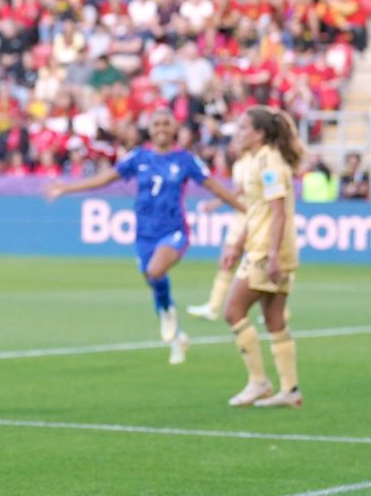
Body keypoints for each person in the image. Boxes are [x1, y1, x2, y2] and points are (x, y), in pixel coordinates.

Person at [46, 110, 242, 364]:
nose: (161, 128)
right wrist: (66, 188)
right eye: (156, 124)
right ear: (149, 130)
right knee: (153, 278)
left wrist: (247, 210)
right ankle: (176, 335)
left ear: (174, 129)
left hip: (174, 231)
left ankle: (168, 317)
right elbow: (104, 179)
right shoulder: (139, 157)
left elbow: (216, 188)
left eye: (166, 124)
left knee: (156, 270)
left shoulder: (186, 161)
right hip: (144, 234)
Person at [223, 106, 305, 408]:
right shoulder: (260, 160)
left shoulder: (269, 163)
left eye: (243, 128)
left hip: (267, 251)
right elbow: (257, 212)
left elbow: (278, 211)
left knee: (233, 311)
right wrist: (238, 243)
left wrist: (272, 255)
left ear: (259, 133)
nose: (238, 133)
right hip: (264, 247)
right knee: (274, 320)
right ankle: (290, 389)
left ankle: (259, 382)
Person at [188, 145, 252, 322]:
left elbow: (241, 189)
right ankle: (213, 307)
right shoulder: (240, 163)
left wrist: (215, 203)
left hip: (252, 217)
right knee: (227, 261)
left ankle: (279, 310)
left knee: (257, 265)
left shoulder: (253, 161)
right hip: (240, 218)